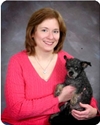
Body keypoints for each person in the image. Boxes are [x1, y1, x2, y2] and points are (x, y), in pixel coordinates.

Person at [1, 7, 100, 125]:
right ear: (32, 33)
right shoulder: (17, 61)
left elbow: (84, 88)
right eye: (44, 30)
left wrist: (94, 111)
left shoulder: (67, 60)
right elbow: (16, 110)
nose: (51, 37)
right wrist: (59, 99)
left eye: (55, 31)